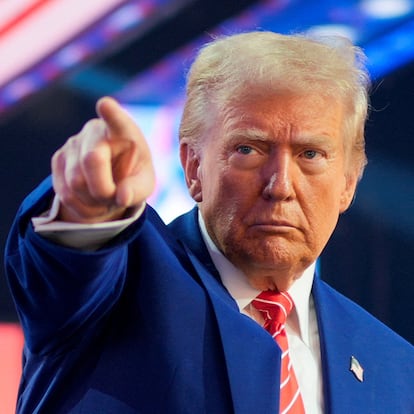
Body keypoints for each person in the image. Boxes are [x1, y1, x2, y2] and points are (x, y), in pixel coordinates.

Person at [5, 31, 414, 414]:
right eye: (249, 149)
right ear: (193, 167)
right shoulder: (123, 282)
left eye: (310, 155)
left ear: (348, 184)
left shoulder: (395, 367)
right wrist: (88, 207)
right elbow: (65, 266)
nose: (281, 186)